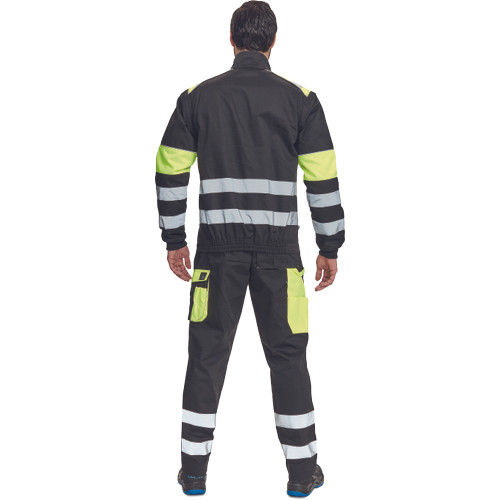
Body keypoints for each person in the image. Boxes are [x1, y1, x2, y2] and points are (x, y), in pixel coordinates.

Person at [155, 1, 345, 496]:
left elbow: (170, 170)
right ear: (273, 42)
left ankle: (194, 473)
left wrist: (174, 239)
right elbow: (323, 178)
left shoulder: (197, 98)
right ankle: (302, 474)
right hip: (281, 256)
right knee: (288, 358)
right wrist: (330, 244)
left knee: (206, 357)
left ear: (232, 39)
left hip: (215, 253)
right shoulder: (302, 101)